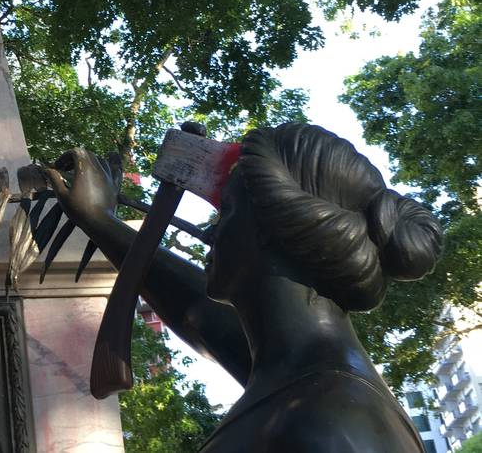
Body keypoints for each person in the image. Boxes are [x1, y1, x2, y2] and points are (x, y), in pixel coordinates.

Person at [44, 123, 442, 452]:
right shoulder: (305, 380)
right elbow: (198, 315)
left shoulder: (324, 425)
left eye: (228, 211)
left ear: (272, 233)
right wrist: (99, 220)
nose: (211, 230)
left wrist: (101, 221)